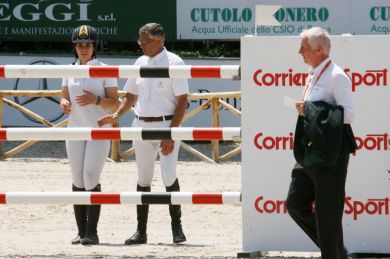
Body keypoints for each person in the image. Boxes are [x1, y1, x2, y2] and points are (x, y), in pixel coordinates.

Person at [98, 23, 188, 245]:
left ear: (160, 41)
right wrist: (117, 114)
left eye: (145, 40)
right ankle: (141, 231)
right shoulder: (139, 62)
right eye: (140, 40)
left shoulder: (175, 62)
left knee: (169, 175)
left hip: (166, 125)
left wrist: (170, 134)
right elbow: (130, 96)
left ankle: (177, 228)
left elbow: (182, 101)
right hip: (140, 125)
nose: (141, 45)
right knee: (143, 177)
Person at [286, 27, 356, 259]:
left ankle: (333, 253)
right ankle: (337, 252)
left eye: (303, 48)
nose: (299, 52)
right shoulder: (314, 72)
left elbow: (349, 115)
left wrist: (311, 110)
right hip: (310, 152)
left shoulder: (336, 76)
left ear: (319, 49)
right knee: (295, 203)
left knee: (328, 216)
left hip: (331, 156)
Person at [60, 25, 119, 245]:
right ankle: (81, 230)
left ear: (94, 47)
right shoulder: (68, 69)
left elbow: (115, 102)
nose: (83, 49)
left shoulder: (105, 69)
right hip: (75, 128)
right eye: (79, 45)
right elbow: (63, 96)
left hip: (99, 130)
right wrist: (64, 103)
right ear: (74, 47)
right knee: (77, 179)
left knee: (90, 178)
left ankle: (92, 232)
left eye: (87, 45)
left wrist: (96, 100)